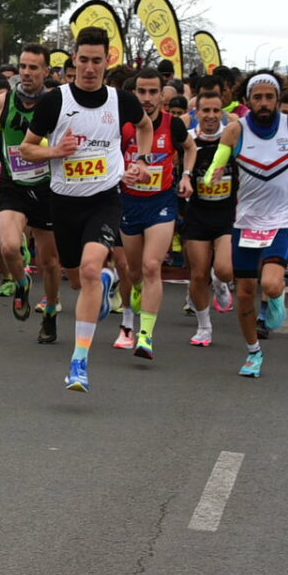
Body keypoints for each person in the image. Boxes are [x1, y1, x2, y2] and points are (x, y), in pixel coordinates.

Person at [17, 27, 153, 392]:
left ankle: (79, 362)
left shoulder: (121, 100)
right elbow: (27, 149)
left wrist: (139, 159)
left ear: (107, 62)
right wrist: (55, 152)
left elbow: (145, 126)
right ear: (73, 61)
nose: (90, 68)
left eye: (97, 60)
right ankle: (105, 282)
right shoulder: (54, 102)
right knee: (77, 278)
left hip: (105, 199)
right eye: (84, 60)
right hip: (63, 201)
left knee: (91, 270)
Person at [201, 73, 288, 377]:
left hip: (280, 221)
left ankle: (277, 294)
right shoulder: (235, 131)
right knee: (244, 293)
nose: (264, 102)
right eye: (258, 97)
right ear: (248, 101)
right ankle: (253, 352)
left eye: (270, 97)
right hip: (246, 222)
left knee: (269, 283)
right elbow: (218, 159)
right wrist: (211, 175)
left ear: (278, 99)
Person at [0, 43, 63, 343]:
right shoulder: (3, 101)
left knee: (50, 261)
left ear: (46, 71)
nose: (27, 73)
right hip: (14, 184)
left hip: (47, 187)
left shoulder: (57, 103)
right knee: (8, 247)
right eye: (23, 67)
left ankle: (51, 310)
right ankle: (22, 282)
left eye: (34, 68)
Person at [113, 66, 190, 360]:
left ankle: (145, 335)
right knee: (132, 272)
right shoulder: (124, 126)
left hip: (161, 202)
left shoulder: (173, 124)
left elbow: (190, 148)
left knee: (151, 266)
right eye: (141, 91)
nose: (146, 97)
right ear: (134, 93)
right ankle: (130, 315)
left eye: (152, 92)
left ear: (162, 94)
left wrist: (187, 175)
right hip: (130, 203)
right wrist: (123, 173)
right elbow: (111, 159)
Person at [180, 87, 236, 347]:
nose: (211, 116)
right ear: (197, 112)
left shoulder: (232, 137)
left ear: (223, 112)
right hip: (197, 214)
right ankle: (204, 326)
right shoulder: (188, 139)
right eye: (206, 110)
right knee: (198, 274)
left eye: (216, 110)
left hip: (227, 215)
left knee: (224, 270)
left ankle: (221, 283)